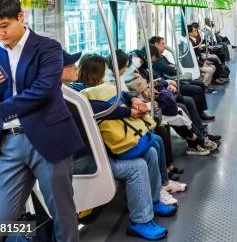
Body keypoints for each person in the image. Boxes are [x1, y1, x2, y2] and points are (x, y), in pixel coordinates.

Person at [0, 0, 83, 242]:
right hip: (8, 144)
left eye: (4, 25)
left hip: (49, 139)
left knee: (62, 214)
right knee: (1, 220)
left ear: (20, 17)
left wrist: (2, 108)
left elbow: (43, 90)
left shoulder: (48, 48)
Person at [68, 53, 178, 239]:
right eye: (71, 66)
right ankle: (140, 221)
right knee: (137, 166)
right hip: (89, 159)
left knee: (150, 152)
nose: (76, 69)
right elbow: (97, 107)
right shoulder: (73, 95)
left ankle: (153, 201)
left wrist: (131, 99)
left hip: (104, 150)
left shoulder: (87, 89)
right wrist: (129, 110)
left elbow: (118, 93)